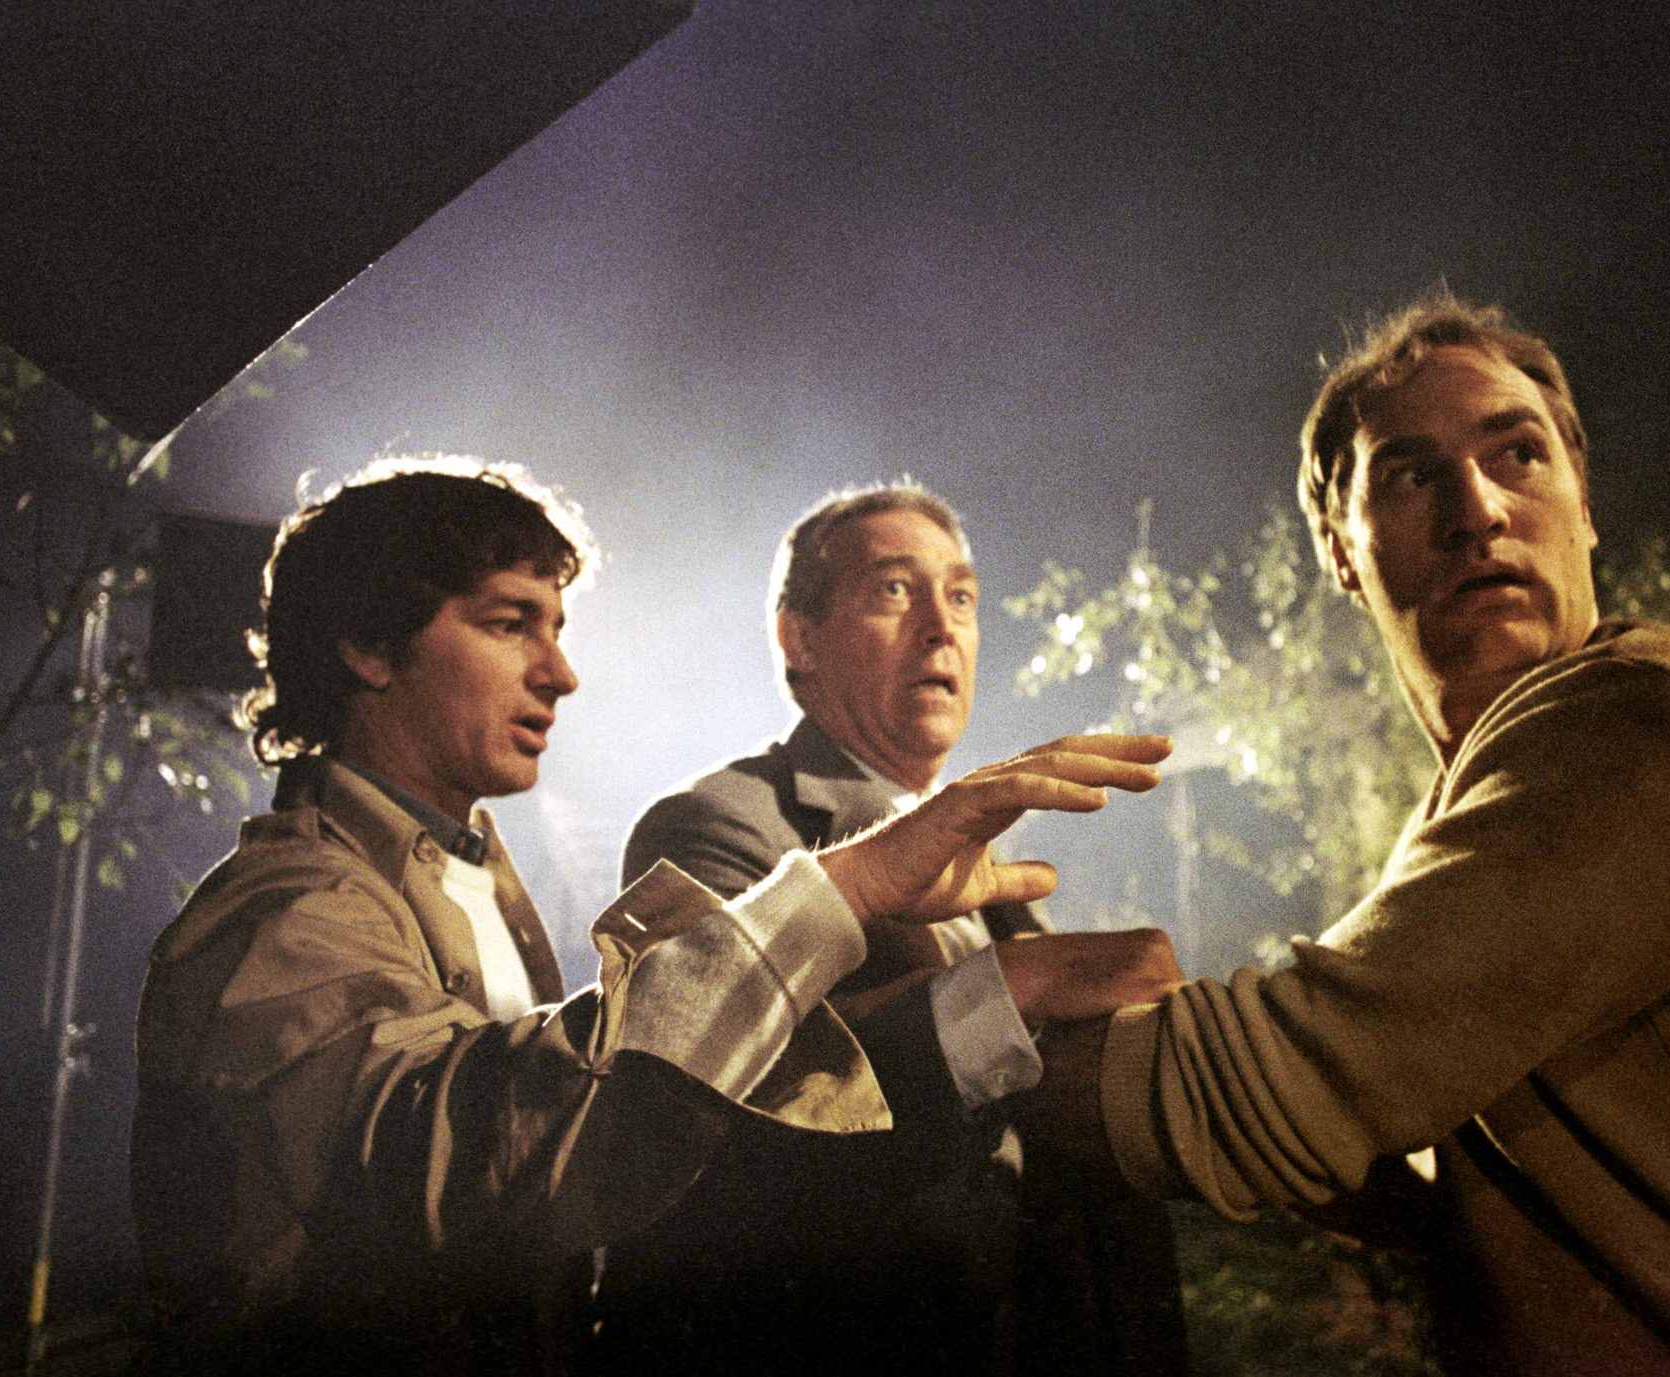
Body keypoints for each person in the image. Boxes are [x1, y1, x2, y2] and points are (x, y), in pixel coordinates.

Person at [1030, 296, 1670, 1376]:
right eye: (1411, 476)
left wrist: (937, 1045)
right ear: (1339, 552)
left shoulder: (1643, 725)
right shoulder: (1476, 807)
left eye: (1517, 454)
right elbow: (1430, 1169)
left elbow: (1277, 1086)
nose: (1476, 510)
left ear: (1584, 505)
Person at [128, 457, 1172, 1376]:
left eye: (556, 629)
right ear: (368, 642)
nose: (560, 673)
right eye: (508, 623)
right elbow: (467, 1154)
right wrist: (847, 892)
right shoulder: (286, 910)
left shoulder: (465, 883)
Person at [606, 482, 1188, 1376]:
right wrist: (1015, 985)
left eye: (961, 596)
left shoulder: (990, 862)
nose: (941, 627)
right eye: (893, 589)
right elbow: (708, 1114)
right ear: (799, 638)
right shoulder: (718, 824)